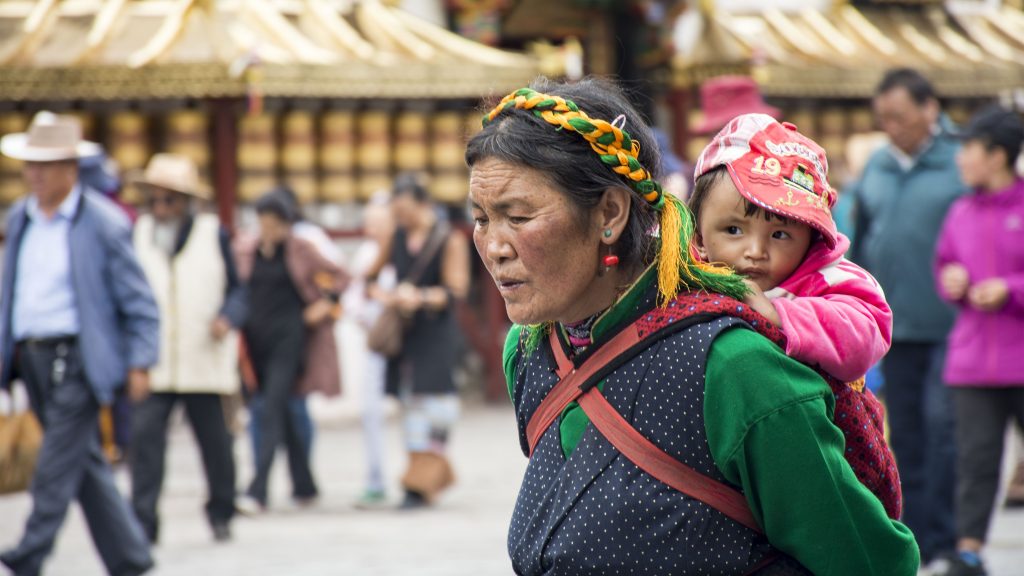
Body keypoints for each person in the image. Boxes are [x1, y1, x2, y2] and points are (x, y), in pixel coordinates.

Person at [467, 78, 918, 575]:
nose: (494, 246)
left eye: (518, 216)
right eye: (482, 219)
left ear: (610, 214)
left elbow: (871, 563)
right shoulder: (531, 352)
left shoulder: (736, 368)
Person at [687, 113, 901, 519]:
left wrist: (781, 314)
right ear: (698, 234)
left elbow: (865, 331)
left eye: (780, 234)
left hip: (832, 454)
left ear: (812, 239)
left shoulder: (829, 278)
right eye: (733, 230)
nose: (755, 251)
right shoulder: (688, 279)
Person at [0, 112, 157, 575]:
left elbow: (138, 300)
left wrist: (141, 360)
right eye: (30, 165)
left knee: (55, 460)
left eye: (45, 165)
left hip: (80, 356)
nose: (35, 174)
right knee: (82, 462)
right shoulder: (20, 218)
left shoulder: (103, 224)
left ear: (71, 169)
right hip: (33, 355)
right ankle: (130, 558)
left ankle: (30, 551)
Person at [849, 68, 966, 567]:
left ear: (928, 110)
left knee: (944, 432)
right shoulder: (877, 166)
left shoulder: (961, 161)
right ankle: (915, 535)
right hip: (896, 329)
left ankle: (945, 535)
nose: (891, 126)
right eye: (883, 119)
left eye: (898, 116)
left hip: (952, 327)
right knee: (908, 434)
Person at [128, 153, 247, 543]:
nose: (162, 209)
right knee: (145, 448)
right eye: (156, 200)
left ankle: (221, 513)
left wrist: (227, 318)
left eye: (170, 200)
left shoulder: (215, 233)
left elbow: (239, 292)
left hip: (202, 360)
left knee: (216, 445)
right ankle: (143, 522)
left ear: (187, 202)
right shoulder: (138, 234)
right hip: (155, 360)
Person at [933, 105, 1024, 576]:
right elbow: (944, 264)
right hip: (971, 361)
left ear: (997, 155)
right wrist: (950, 280)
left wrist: (1010, 289)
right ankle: (969, 552)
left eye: (969, 147)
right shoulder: (959, 211)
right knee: (975, 460)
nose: (961, 157)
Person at [234, 190, 346, 512]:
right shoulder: (247, 249)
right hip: (257, 342)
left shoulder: (301, 248)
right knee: (279, 409)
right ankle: (305, 485)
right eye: (263, 223)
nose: (268, 230)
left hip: (290, 339)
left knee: (269, 409)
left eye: (274, 224)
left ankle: (257, 491)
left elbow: (342, 275)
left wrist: (325, 305)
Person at [369, 172, 470, 510]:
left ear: (424, 204)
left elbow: (456, 291)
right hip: (405, 334)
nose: (402, 218)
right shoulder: (395, 236)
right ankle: (418, 485)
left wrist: (421, 297)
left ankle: (426, 479)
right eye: (397, 212)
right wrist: (387, 296)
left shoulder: (448, 239)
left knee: (439, 409)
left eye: (406, 210)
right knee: (410, 404)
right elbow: (368, 278)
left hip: (437, 333)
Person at [345, 195, 396, 506]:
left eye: (379, 222)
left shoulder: (400, 253)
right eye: (369, 222)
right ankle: (376, 478)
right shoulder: (365, 254)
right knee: (370, 411)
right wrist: (367, 311)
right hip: (375, 342)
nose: (372, 228)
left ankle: (417, 478)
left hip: (402, 341)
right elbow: (351, 300)